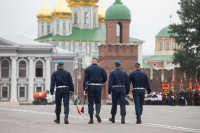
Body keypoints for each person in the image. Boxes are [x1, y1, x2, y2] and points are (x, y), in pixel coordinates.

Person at [83, 57, 107, 124]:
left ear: (91, 61)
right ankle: (97, 112)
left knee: (90, 103)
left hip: (90, 86)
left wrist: (84, 90)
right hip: (98, 86)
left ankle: (91, 119)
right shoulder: (101, 69)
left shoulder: (87, 69)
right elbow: (105, 78)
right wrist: (100, 81)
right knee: (98, 102)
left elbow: (85, 80)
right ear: (97, 62)